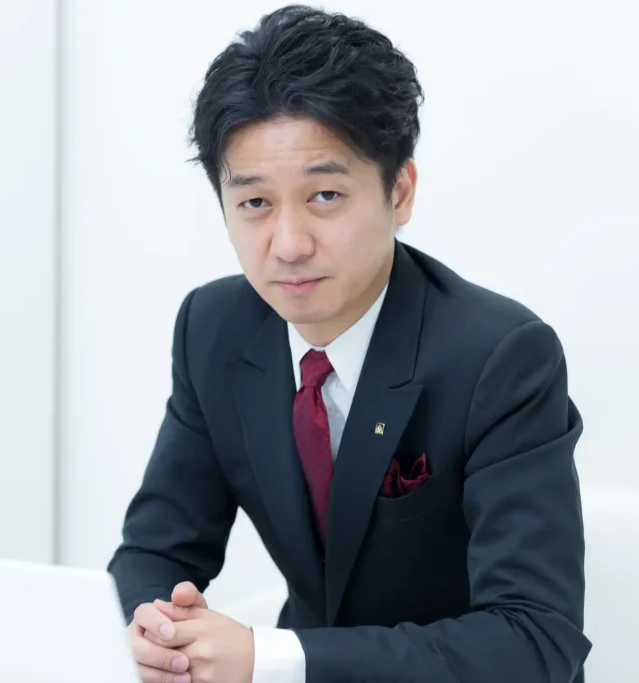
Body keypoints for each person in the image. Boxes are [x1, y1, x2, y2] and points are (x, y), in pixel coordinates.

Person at [107, 5, 590, 683]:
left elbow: (534, 639)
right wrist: (157, 632)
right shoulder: (214, 328)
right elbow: (157, 548)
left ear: (400, 191)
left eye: (325, 195)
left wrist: (269, 658)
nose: (288, 244)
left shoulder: (500, 357)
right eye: (254, 203)